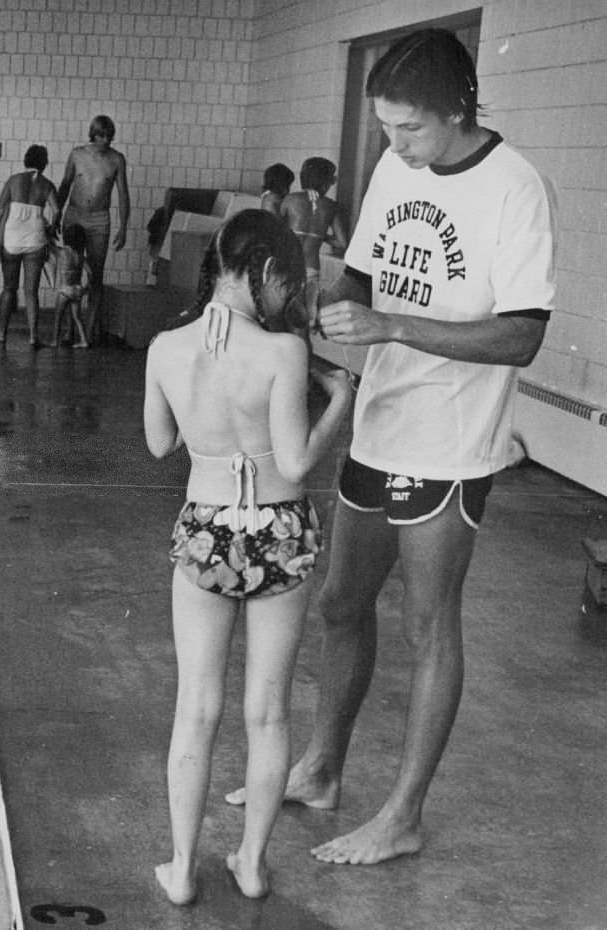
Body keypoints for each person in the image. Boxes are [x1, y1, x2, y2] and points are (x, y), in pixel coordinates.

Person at [227, 29, 557, 867]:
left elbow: (521, 335)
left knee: (427, 623)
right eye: (385, 129)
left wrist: (391, 326)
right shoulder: (394, 170)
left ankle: (404, 813)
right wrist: (321, 312)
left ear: (456, 110)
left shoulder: (515, 189)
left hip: (450, 444)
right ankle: (323, 770)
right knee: (342, 603)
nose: (395, 144)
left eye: (409, 128)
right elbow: (364, 279)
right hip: (381, 420)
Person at [145, 209, 354, 904]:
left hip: (206, 528)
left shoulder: (166, 348)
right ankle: (252, 864)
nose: (286, 301)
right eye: (285, 286)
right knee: (267, 712)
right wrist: (341, 400)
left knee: (195, 709)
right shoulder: (283, 353)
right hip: (278, 532)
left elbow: (157, 443)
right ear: (264, 271)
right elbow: (293, 464)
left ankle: (180, 871)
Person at [57, 115, 130, 345]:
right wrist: (56, 213)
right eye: (101, 137)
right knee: (72, 273)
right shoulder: (78, 154)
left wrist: (123, 227)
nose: (105, 142)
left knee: (95, 274)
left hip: (99, 218)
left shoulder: (117, 159)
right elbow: (65, 185)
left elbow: (123, 194)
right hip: (75, 214)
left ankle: (88, 331)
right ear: (93, 135)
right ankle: (70, 330)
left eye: (109, 138)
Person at [0, 145, 58, 347]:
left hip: (12, 238)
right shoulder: (47, 184)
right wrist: (50, 229)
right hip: (35, 238)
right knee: (31, 292)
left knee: (9, 288)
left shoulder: (14, 180)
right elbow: (56, 210)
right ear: (44, 164)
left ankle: (2, 333)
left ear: (25, 160)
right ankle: (32, 336)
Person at [280, 157, 348, 321]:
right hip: (311, 270)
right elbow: (342, 243)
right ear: (325, 181)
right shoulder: (332, 206)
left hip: (287, 266)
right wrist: (320, 235)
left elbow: (275, 232)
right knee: (306, 321)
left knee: (282, 318)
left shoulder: (290, 200)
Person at [49, 236, 88, 348]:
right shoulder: (80, 256)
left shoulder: (62, 252)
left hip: (65, 289)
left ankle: (54, 341)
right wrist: (86, 287)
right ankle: (84, 340)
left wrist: (49, 232)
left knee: (58, 316)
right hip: (77, 289)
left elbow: (50, 246)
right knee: (77, 317)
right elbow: (90, 273)